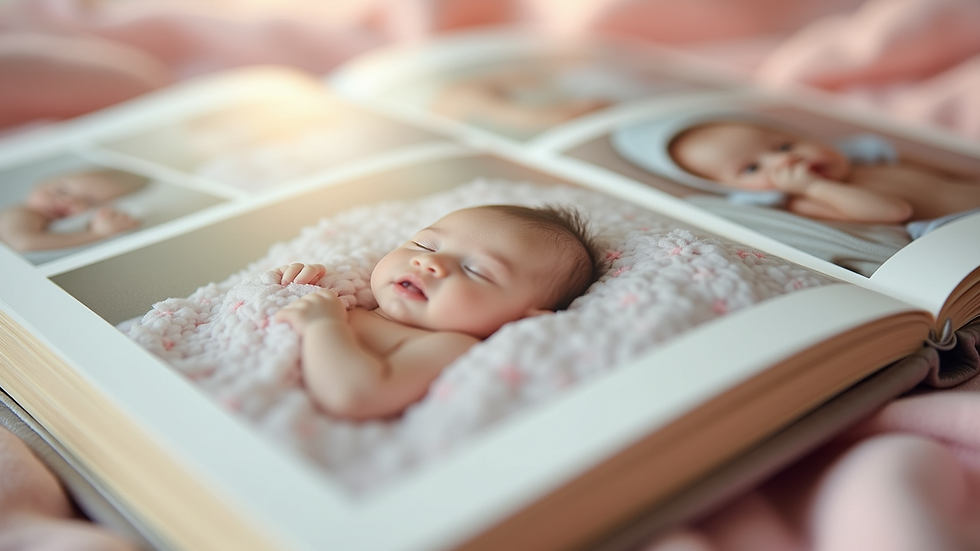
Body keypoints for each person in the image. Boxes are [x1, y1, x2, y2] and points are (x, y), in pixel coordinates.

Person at [273, 204, 601, 421]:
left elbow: (353, 395)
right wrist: (295, 283)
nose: (430, 262)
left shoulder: (448, 345)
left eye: (476, 271)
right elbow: (268, 301)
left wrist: (323, 326)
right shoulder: (357, 298)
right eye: (425, 246)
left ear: (523, 319)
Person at [614, 111, 980, 238]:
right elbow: (893, 211)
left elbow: (951, 171)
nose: (785, 162)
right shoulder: (805, 201)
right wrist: (816, 186)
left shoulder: (868, 157)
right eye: (752, 168)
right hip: (956, 228)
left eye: (784, 145)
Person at [0, 169, 146, 252]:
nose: (69, 201)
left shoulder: (44, 221)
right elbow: (25, 243)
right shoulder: (20, 214)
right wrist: (98, 234)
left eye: (89, 202)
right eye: (61, 191)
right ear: (39, 184)